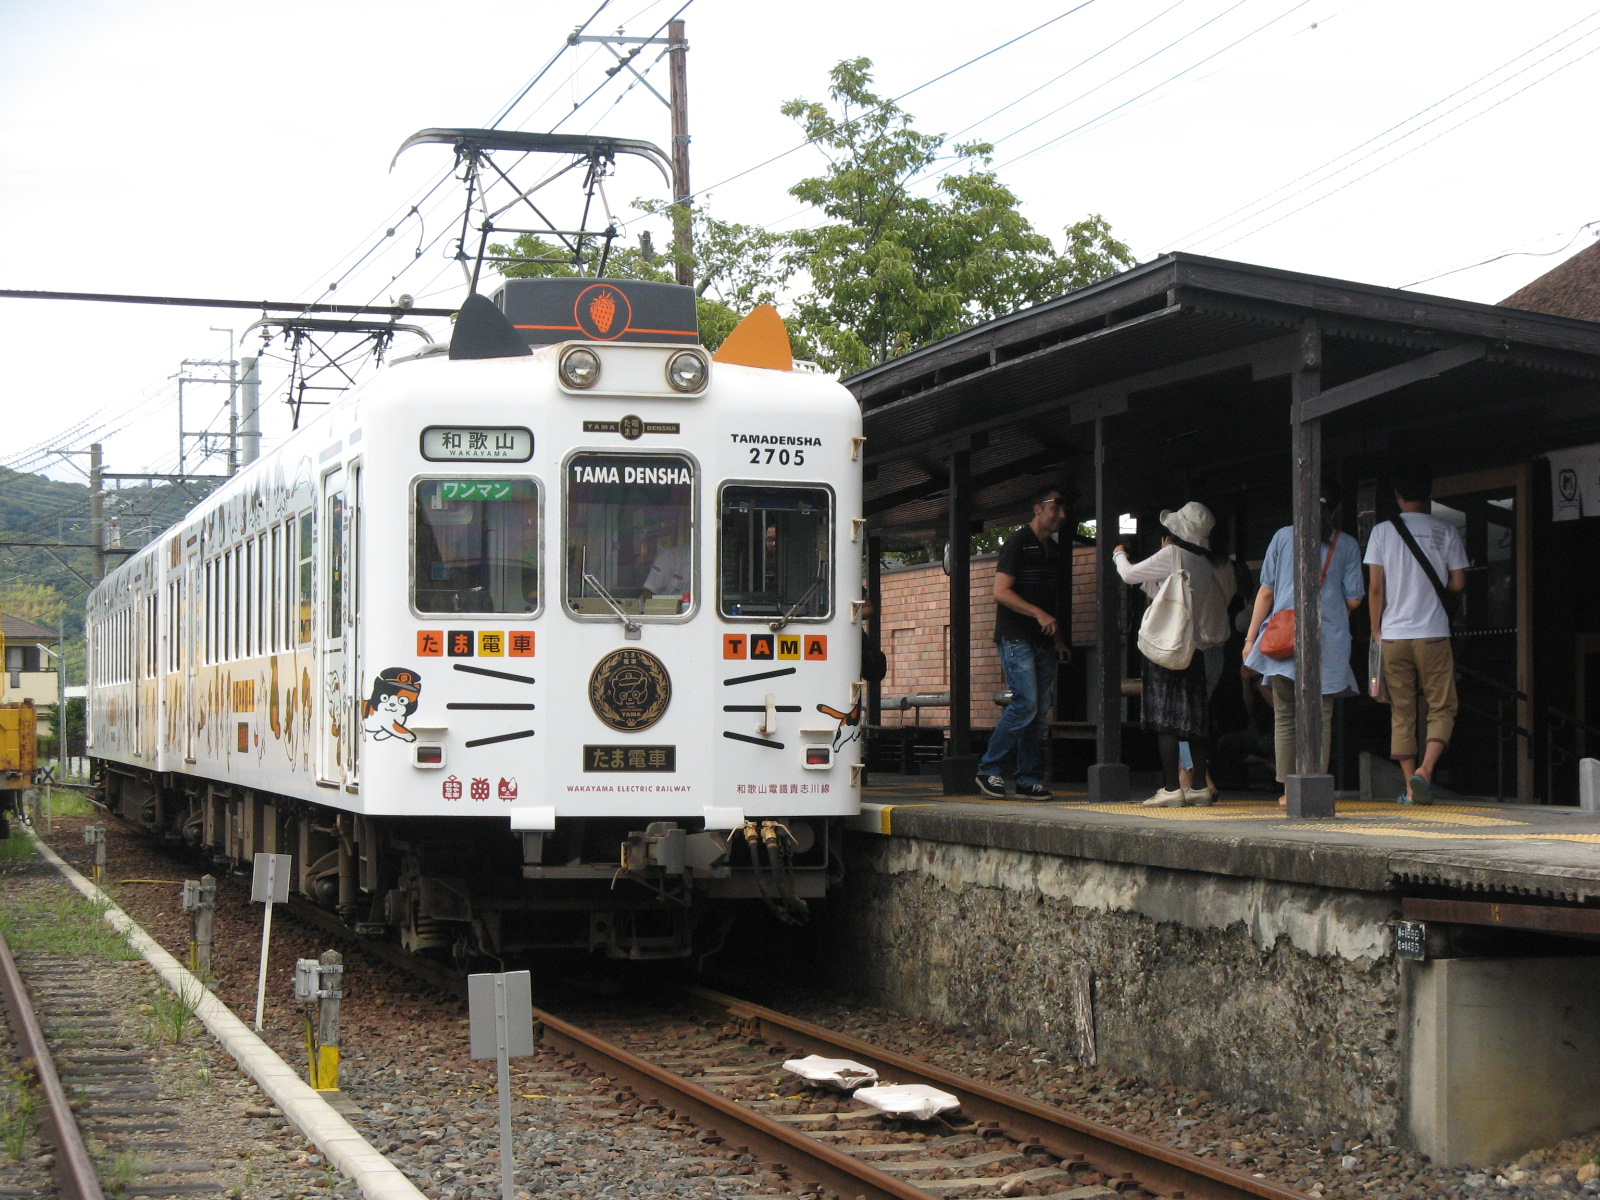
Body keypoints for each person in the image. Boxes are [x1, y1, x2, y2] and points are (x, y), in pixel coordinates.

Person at [1241, 487, 1364, 806]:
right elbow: (1354, 599)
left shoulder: (1282, 537)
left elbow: (1265, 592)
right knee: (1321, 714)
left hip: (1285, 638)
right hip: (1329, 640)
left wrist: (1250, 639)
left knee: (1285, 714)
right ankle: (1315, 787)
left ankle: (1288, 791)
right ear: (1332, 511)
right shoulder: (1346, 544)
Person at [1113, 501, 1236, 807]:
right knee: (1193, 719)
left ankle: (1170, 788)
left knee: (1165, 717)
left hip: (1167, 648)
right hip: (1192, 649)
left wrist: (1118, 553)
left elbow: (1128, 575)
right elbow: (1161, 592)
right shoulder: (1205, 564)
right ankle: (1197, 786)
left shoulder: (1172, 554)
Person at [1363, 464, 1467, 805]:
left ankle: (1410, 788)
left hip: (1393, 635)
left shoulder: (1381, 532)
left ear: (1397, 495)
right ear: (1430, 492)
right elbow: (1458, 583)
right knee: (1442, 706)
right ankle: (1426, 770)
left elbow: (1376, 588)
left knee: (1402, 710)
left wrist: (1377, 629)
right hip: (1433, 633)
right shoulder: (1446, 530)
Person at [974, 485, 1071, 800]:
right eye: (1055, 507)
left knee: (1040, 709)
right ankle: (989, 770)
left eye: (1063, 509)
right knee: (1026, 702)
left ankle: (1028, 779)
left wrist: (1057, 638)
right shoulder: (1017, 542)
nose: (1061, 514)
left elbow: (1049, 600)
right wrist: (1039, 614)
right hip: (1016, 635)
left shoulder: (1053, 552)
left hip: (1043, 640)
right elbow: (1000, 592)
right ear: (1038, 508)